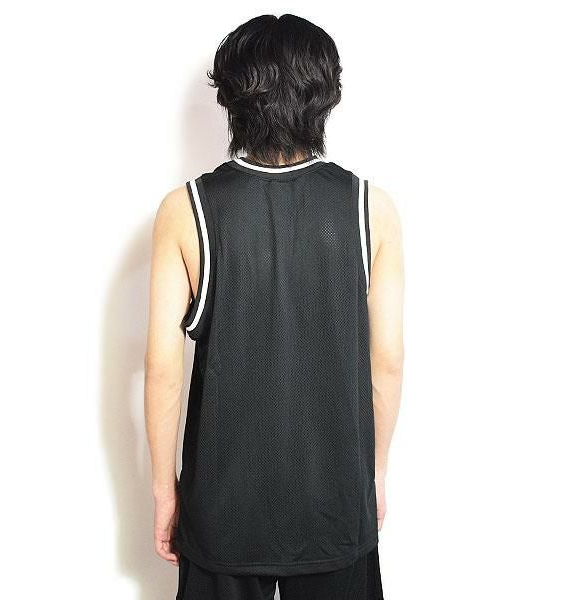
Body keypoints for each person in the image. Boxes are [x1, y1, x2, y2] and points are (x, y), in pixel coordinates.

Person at [144, 13, 404, 600]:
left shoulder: (186, 210)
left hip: (222, 507)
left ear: (231, 96)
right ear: (326, 94)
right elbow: (387, 363)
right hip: (336, 502)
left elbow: (162, 369)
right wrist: (375, 474)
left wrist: (165, 491)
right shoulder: (371, 209)